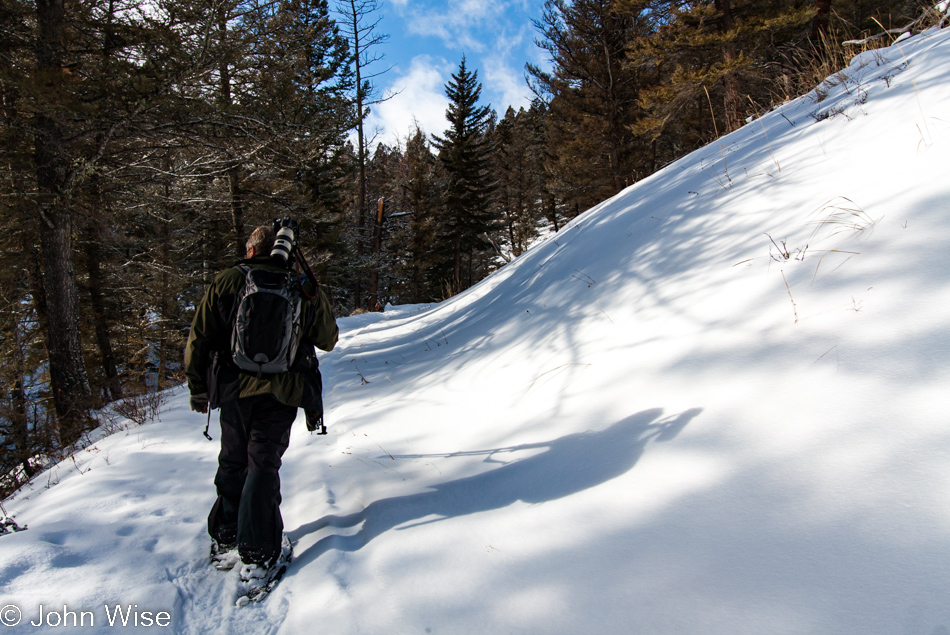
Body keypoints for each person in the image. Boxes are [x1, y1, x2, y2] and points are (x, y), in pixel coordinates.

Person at [184, 224, 338, 578]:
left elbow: (200, 338)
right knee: (262, 464)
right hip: (282, 391)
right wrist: (310, 289)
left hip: (234, 388)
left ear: (252, 250)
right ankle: (257, 552)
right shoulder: (300, 286)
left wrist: (198, 389)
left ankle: (226, 535)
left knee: (233, 458)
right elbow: (328, 338)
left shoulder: (228, 280)